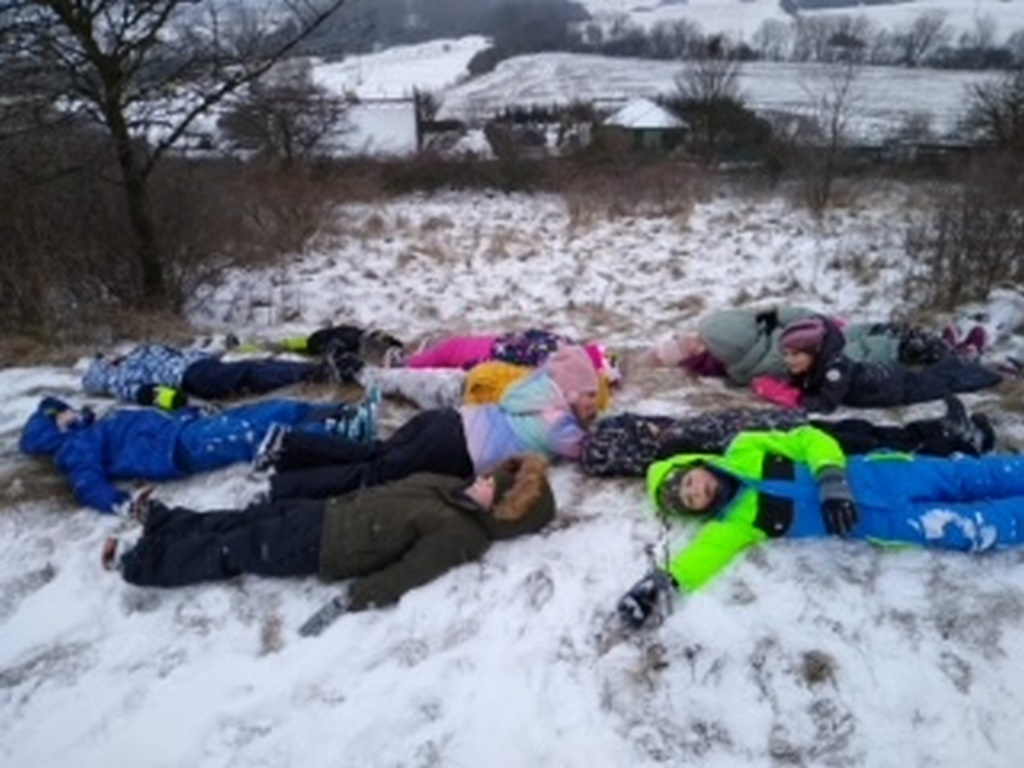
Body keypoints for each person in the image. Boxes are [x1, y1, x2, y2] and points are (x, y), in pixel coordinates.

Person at [617, 425, 1024, 629]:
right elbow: (701, 557)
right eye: (690, 500)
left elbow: (808, 438)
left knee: (968, 477)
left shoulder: (746, 448)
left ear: (695, 464)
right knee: (972, 527)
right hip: (884, 522)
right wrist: (658, 586)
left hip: (885, 474)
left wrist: (830, 478)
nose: (698, 491)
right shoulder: (734, 523)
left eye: (690, 481)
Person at [103, 454, 556, 621]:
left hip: (328, 547)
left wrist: (354, 599)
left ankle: (140, 562)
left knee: (237, 548)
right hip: (328, 512)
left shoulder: (462, 534)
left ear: (502, 510)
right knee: (243, 520)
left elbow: (409, 573)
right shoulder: (451, 486)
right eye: (490, 475)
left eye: (492, 485)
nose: (483, 478)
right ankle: (167, 523)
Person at [260, 343, 601, 502]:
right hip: (454, 449)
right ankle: (280, 489)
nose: (594, 406)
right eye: (589, 395)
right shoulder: (559, 425)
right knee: (373, 475)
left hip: (446, 421)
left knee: (376, 453)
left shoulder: (532, 391)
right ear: (570, 391)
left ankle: (289, 447)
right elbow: (587, 449)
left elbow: (546, 376)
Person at [18, 393, 378, 515]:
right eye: (60, 418)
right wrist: (121, 503)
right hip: (177, 449)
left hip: (185, 428)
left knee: (271, 409)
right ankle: (336, 436)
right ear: (53, 433)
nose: (69, 413)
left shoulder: (95, 423)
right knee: (252, 435)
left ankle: (338, 413)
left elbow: (151, 419)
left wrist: (190, 412)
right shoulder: (75, 446)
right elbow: (86, 484)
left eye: (65, 410)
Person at [579, 395, 996, 478]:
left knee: (861, 428)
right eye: (641, 430)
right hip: (786, 447)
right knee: (869, 446)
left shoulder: (667, 429)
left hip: (786, 427)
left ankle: (943, 428)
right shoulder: (674, 450)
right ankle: (958, 448)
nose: (648, 424)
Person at [641, 306, 986, 386]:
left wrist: (816, 319)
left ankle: (939, 343)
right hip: (821, 351)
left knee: (874, 329)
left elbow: (775, 315)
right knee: (879, 346)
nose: (691, 338)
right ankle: (957, 355)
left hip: (811, 334)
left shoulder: (726, 338)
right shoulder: (735, 361)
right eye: (688, 343)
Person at [761, 316, 1004, 414]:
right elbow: (805, 384)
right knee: (934, 374)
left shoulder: (835, 369)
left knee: (943, 383)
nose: (788, 360)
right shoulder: (816, 365)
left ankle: (977, 366)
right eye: (786, 354)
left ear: (815, 352)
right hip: (885, 375)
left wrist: (793, 398)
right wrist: (782, 386)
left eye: (795, 355)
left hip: (892, 387)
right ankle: (956, 357)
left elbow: (826, 404)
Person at [81, 341, 359, 409]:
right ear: (104, 366)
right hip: (189, 378)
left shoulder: (139, 353)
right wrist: (167, 398)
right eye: (104, 359)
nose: (110, 355)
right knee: (249, 372)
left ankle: (316, 370)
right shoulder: (118, 376)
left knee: (254, 366)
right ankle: (318, 373)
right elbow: (135, 391)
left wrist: (212, 352)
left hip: (200, 365)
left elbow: (180, 352)